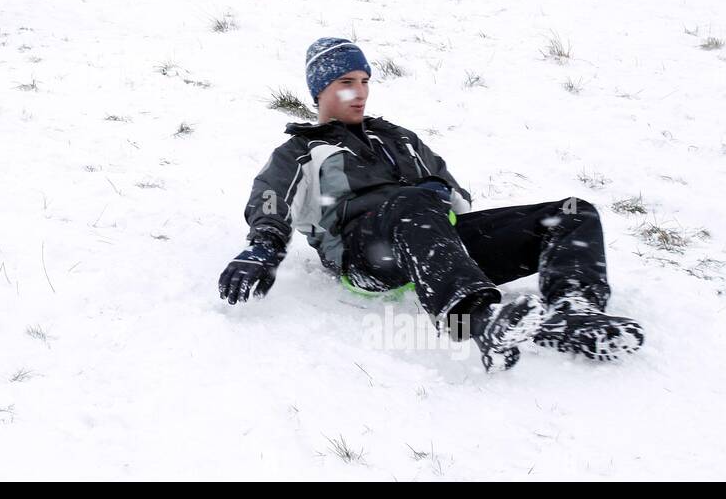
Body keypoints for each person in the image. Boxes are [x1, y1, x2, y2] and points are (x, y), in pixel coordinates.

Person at [218, 37, 645, 372]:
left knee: (573, 212)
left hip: (436, 239)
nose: (360, 92)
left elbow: (457, 196)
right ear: (320, 91)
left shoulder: (400, 137)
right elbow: (270, 198)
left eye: (365, 81)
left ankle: (573, 313)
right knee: (411, 205)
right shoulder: (301, 150)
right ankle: (480, 321)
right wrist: (263, 246)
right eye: (346, 83)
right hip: (368, 255)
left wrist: (443, 199)